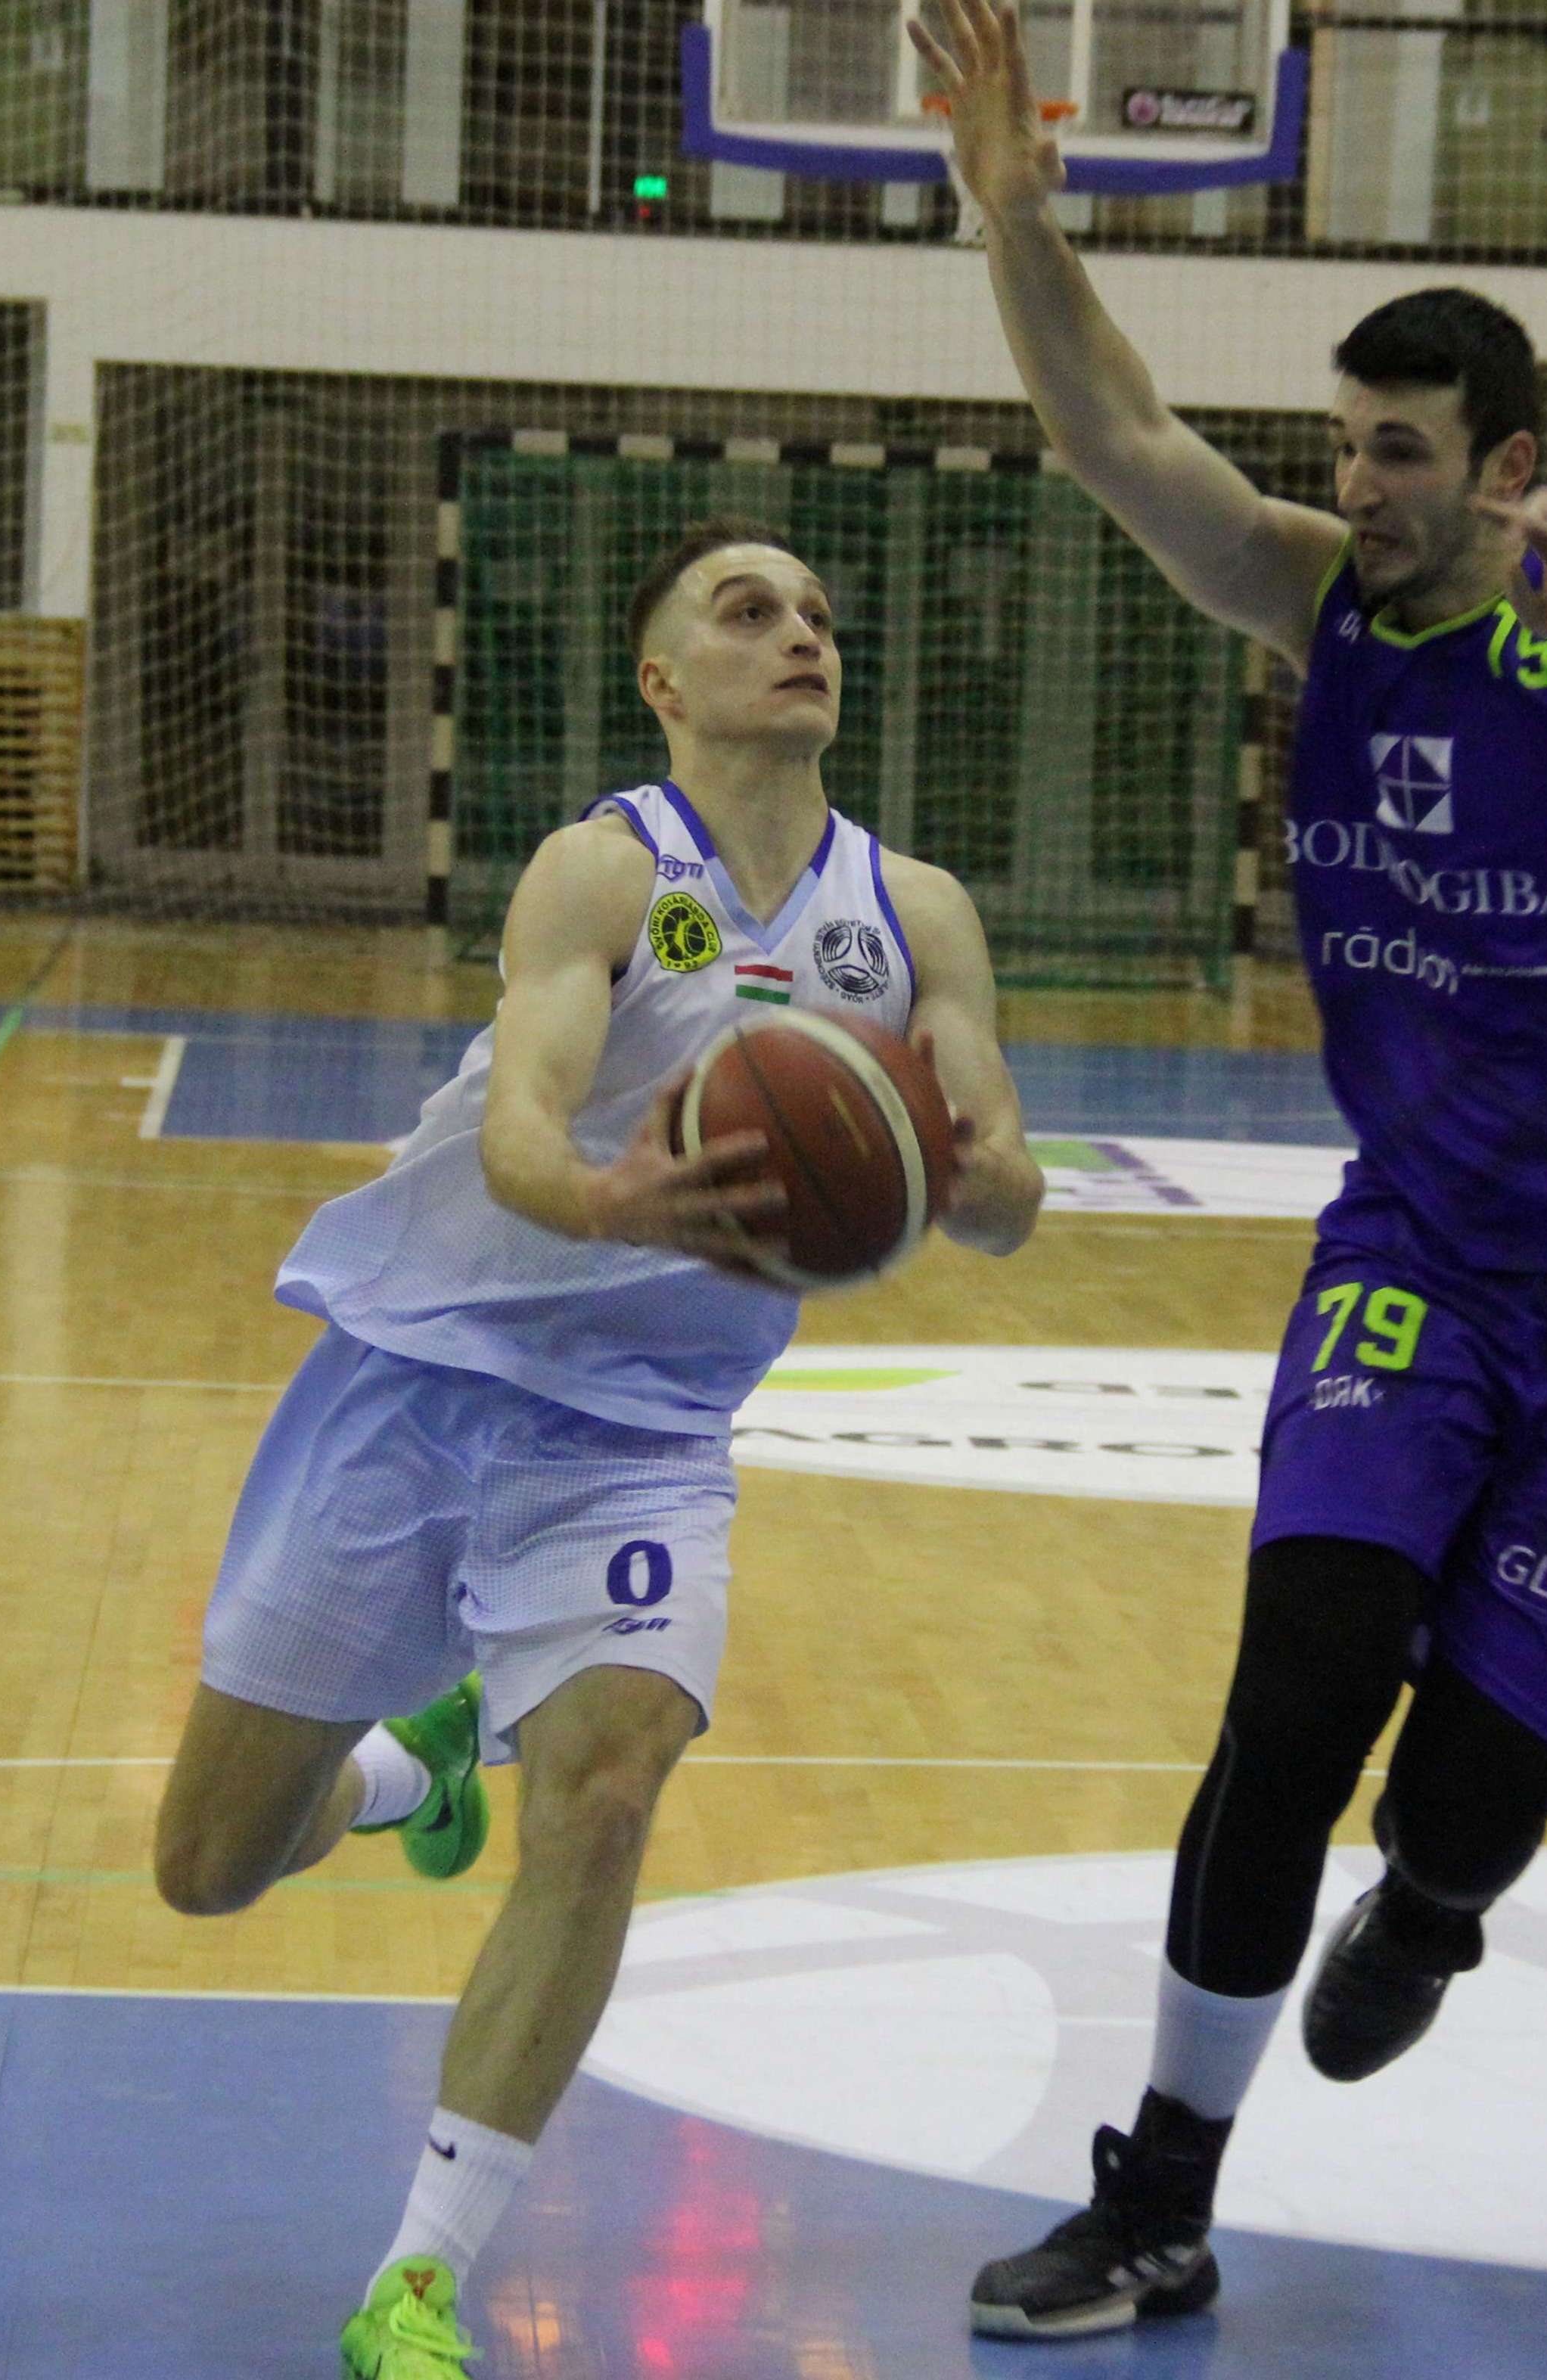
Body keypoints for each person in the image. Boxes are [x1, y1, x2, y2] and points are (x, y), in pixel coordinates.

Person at [912, 0, 1547, 2338]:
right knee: (1298, 1690)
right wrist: (1017, 218)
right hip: (1426, 1254)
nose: (1358, 485)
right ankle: (1159, 2196)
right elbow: (1117, 434)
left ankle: (1443, 1905)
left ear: (1508, 463)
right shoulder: (1325, 602)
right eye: (1347, 445)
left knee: (1462, 1800)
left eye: (1400, 452)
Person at [148, 515, 1045, 2379]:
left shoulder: (914, 913)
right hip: (419, 1378)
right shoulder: (602, 871)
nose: (797, 633)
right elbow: (518, 1135)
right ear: (661, 678)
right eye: (746, 609)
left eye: (816, 611)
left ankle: (416, 2281)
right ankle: (403, 1773)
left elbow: (1010, 1186)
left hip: (642, 1431)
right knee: (210, 1864)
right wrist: (611, 1200)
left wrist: (962, 1177)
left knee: (611, 1788)